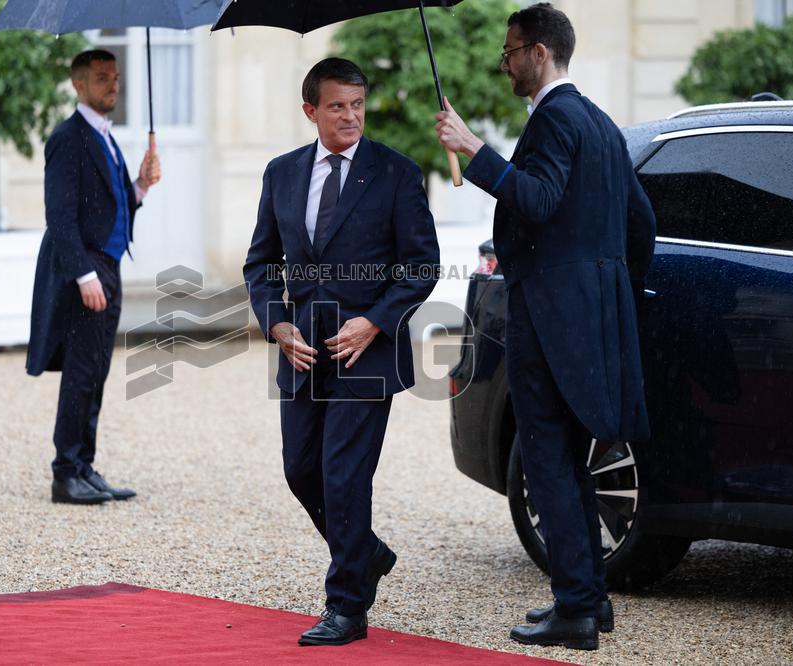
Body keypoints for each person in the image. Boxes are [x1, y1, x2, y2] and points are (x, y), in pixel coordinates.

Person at [435, 3, 656, 652]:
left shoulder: (556, 118)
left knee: (549, 461)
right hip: (592, 320)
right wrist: (610, 293)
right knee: (572, 463)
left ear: (538, 52)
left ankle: (575, 610)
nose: (505, 64)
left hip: (548, 321)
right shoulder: (602, 124)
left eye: (509, 53)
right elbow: (639, 223)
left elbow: (536, 197)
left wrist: (474, 150)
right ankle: (591, 601)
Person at [243, 58, 439, 647]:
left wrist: (375, 322)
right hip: (301, 348)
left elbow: (421, 263)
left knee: (344, 474)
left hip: (366, 354)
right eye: (337, 106)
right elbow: (260, 262)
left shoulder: (397, 173)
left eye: (357, 104)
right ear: (310, 111)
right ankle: (366, 552)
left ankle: (346, 605)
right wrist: (276, 325)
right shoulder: (280, 174)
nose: (350, 115)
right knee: (301, 469)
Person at [27, 49, 161, 505]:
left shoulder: (104, 136)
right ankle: (65, 472)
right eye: (103, 78)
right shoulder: (69, 137)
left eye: (116, 78)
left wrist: (140, 186)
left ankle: (84, 466)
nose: (113, 86)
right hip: (85, 269)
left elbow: (111, 205)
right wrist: (84, 274)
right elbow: (60, 216)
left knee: (97, 370)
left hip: (109, 264)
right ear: (79, 85)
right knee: (81, 372)